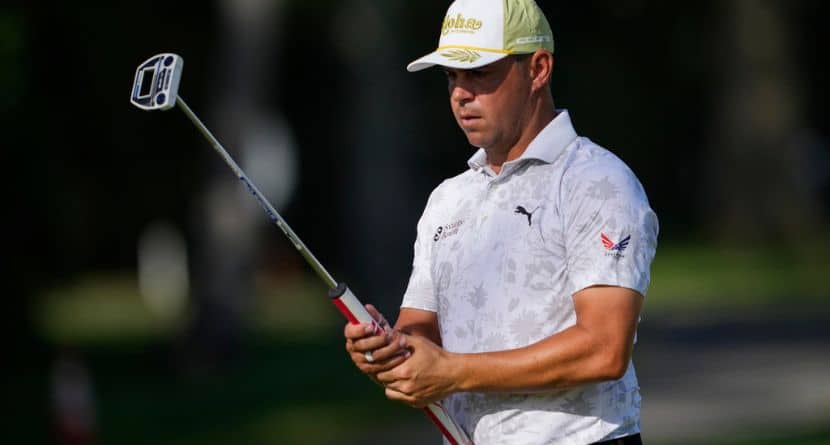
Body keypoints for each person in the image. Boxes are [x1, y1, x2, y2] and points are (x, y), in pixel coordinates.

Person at [344, 0, 658, 443]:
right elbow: (421, 331)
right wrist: (390, 351)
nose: (460, 93)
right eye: (452, 76)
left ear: (539, 69)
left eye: (479, 73)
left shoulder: (597, 181)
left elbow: (604, 350)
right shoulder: (448, 199)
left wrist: (452, 372)